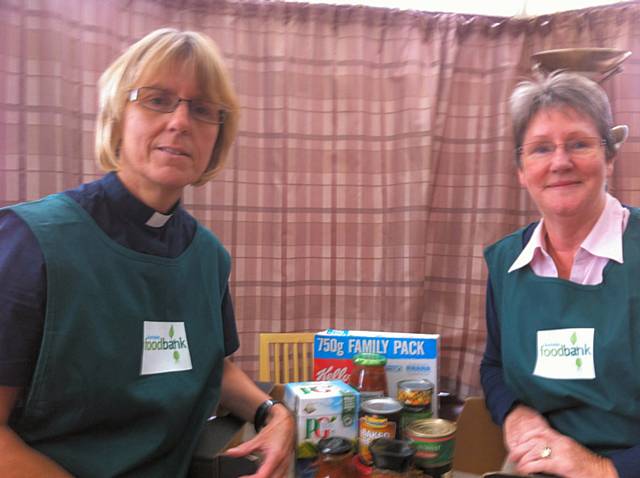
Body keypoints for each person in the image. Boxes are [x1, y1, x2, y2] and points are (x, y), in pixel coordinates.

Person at [0, 28, 294, 477]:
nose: (180, 122)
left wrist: (273, 413)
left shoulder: (207, 257)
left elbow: (210, 365)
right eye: (157, 99)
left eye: (202, 109)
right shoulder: (29, 244)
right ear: (118, 116)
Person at [480, 71, 640, 478]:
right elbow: (494, 366)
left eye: (579, 144)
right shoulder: (506, 263)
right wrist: (514, 414)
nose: (560, 162)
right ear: (520, 169)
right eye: (540, 149)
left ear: (609, 157)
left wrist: (603, 468)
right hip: (540, 464)